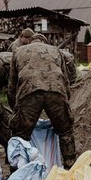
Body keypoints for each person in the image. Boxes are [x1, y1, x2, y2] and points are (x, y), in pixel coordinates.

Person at [7, 33, 76, 169]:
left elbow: (12, 85)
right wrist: (65, 103)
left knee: (20, 134)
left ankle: (16, 171)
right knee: (65, 131)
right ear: (45, 42)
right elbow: (65, 80)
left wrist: (15, 109)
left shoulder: (18, 51)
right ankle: (71, 167)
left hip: (29, 92)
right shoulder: (55, 50)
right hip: (56, 91)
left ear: (30, 41)